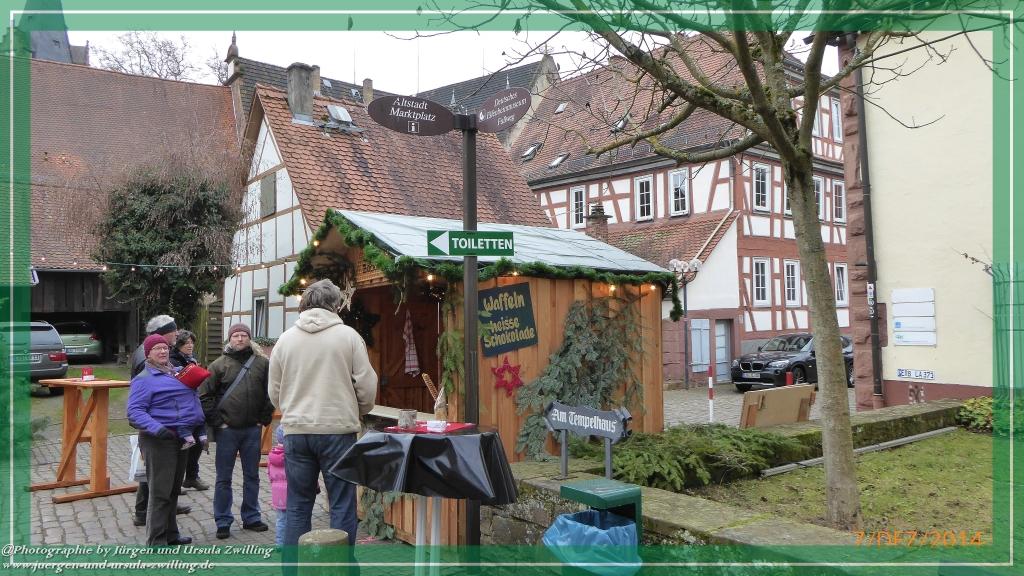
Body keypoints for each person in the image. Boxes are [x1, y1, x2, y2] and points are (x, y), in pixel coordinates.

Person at [269, 279, 378, 546]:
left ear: (304, 303)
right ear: (336, 305)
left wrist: (292, 408)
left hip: (297, 431)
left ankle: (294, 570)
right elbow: (366, 386)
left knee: (298, 504)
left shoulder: (285, 340)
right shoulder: (350, 337)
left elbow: (274, 391)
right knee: (341, 504)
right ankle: (339, 568)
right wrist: (357, 410)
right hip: (338, 430)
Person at [126, 334, 205, 546]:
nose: (162, 351)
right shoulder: (143, 380)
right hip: (158, 440)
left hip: (181, 437)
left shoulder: (177, 373)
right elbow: (134, 412)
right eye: (157, 349)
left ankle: (171, 535)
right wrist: (157, 428)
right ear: (148, 354)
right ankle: (156, 541)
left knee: (172, 490)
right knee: (160, 493)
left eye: (164, 348)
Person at [199, 323, 274, 540]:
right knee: (224, 478)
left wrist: (264, 418)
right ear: (229, 339)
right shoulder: (218, 365)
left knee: (252, 476)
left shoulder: (262, 364)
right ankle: (223, 520)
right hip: (227, 431)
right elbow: (205, 395)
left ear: (250, 338)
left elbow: (271, 392)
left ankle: (251, 516)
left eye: (243, 335)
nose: (240, 339)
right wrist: (218, 422)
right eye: (236, 335)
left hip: (252, 429)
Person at [130, 315, 191, 526]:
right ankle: (143, 514)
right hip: (156, 431)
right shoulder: (146, 358)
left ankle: (161, 515)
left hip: (167, 429)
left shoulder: (161, 354)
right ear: (164, 333)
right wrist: (156, 426)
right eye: (173, 331)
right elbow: (143, 396)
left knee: (158, 479)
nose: (177, 334)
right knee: (154, 479)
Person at [169, 330, 210, 492]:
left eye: (192, 343)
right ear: (179, 345)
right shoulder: (173, 360)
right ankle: (177, 482)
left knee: (198, 443)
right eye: (186, 343)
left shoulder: (191, 360)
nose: (190, 346)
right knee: (183, 445)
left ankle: (192, 477)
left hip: (194, 404)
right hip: (180, 408)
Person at [267, 425, 287, 546]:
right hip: (291, 491)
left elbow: (269, 473)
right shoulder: (290, 455)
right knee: (293, 519)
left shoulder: (272, 455)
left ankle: (279, 543)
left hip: (277, 492)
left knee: (280, 519)